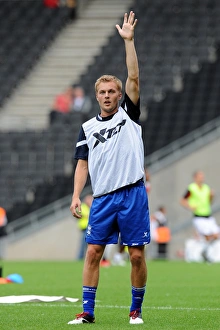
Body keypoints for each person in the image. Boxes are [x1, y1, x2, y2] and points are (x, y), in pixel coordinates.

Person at [69, 11, 150, 325]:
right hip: (101, 199)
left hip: (132, 194)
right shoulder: (87, 128)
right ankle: (88, 313)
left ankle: (135, 310)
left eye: (111, 92)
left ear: (119, 96)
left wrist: (129, 42)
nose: (106, 96)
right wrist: (76, 196)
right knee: (92, 254)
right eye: (101, 92)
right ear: (96, 96)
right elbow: (82, 164)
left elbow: (134, 77)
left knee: (137, 255)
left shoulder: (128, 115)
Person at [180, 170, 220, 262]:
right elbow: (182, 200)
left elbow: (209, 202)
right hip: (199, 217)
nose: (202, 178)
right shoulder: (192, 188)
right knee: (208, 236)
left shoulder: (206, 188)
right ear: (195, 178)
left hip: (208, 216)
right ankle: (206, 253)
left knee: (216, 235)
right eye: (200, 176)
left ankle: (206, 252)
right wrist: (190, 206)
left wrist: (211, 196)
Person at [76, 194, 93, 260]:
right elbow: (83, 214)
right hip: (85, 228)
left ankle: (88, 258)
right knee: (83, 243)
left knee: (91, 244)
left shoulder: (92, 207)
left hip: (91, 227)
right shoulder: (82, 207)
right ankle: (80, 257)